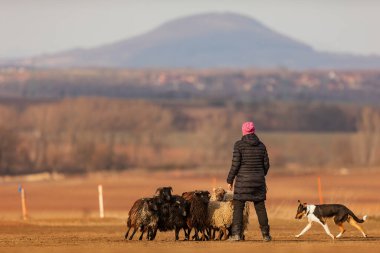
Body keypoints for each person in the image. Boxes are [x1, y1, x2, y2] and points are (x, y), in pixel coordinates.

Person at [227, 121, 271, 241]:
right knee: (260, 208)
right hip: (258, 182)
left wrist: (230, 180)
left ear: (243, 131)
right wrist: (261, 175)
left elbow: (235, 165)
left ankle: (236, 235)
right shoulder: (261, 146)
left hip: (242, 183)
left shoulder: (239, 145)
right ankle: (266, 235)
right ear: (253, 131)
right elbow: (266, 165)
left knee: (238, 207)